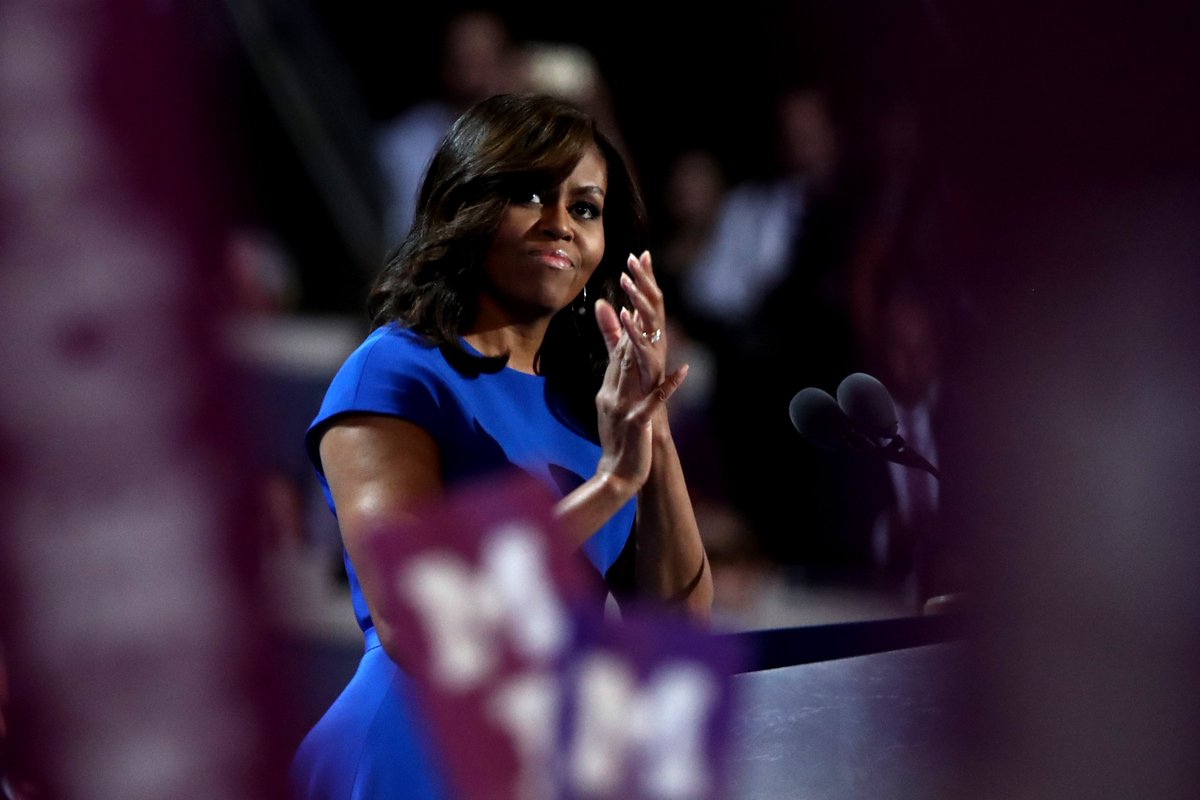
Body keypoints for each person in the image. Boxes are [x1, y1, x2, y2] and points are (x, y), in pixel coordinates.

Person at [289, 92, 712, 799]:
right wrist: (608, 485)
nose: (561, 226)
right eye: (530, 194)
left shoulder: (589, 406)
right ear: (467, 206)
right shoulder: (395, 371)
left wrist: (654, 432)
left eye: (585, 208)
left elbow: (675, 625)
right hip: (411, 749)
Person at [374, 10, 520, 245]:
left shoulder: (537, 139)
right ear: (447, 68)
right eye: (469, 62)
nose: (480, 80)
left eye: (490, 61)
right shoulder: (406, 144)